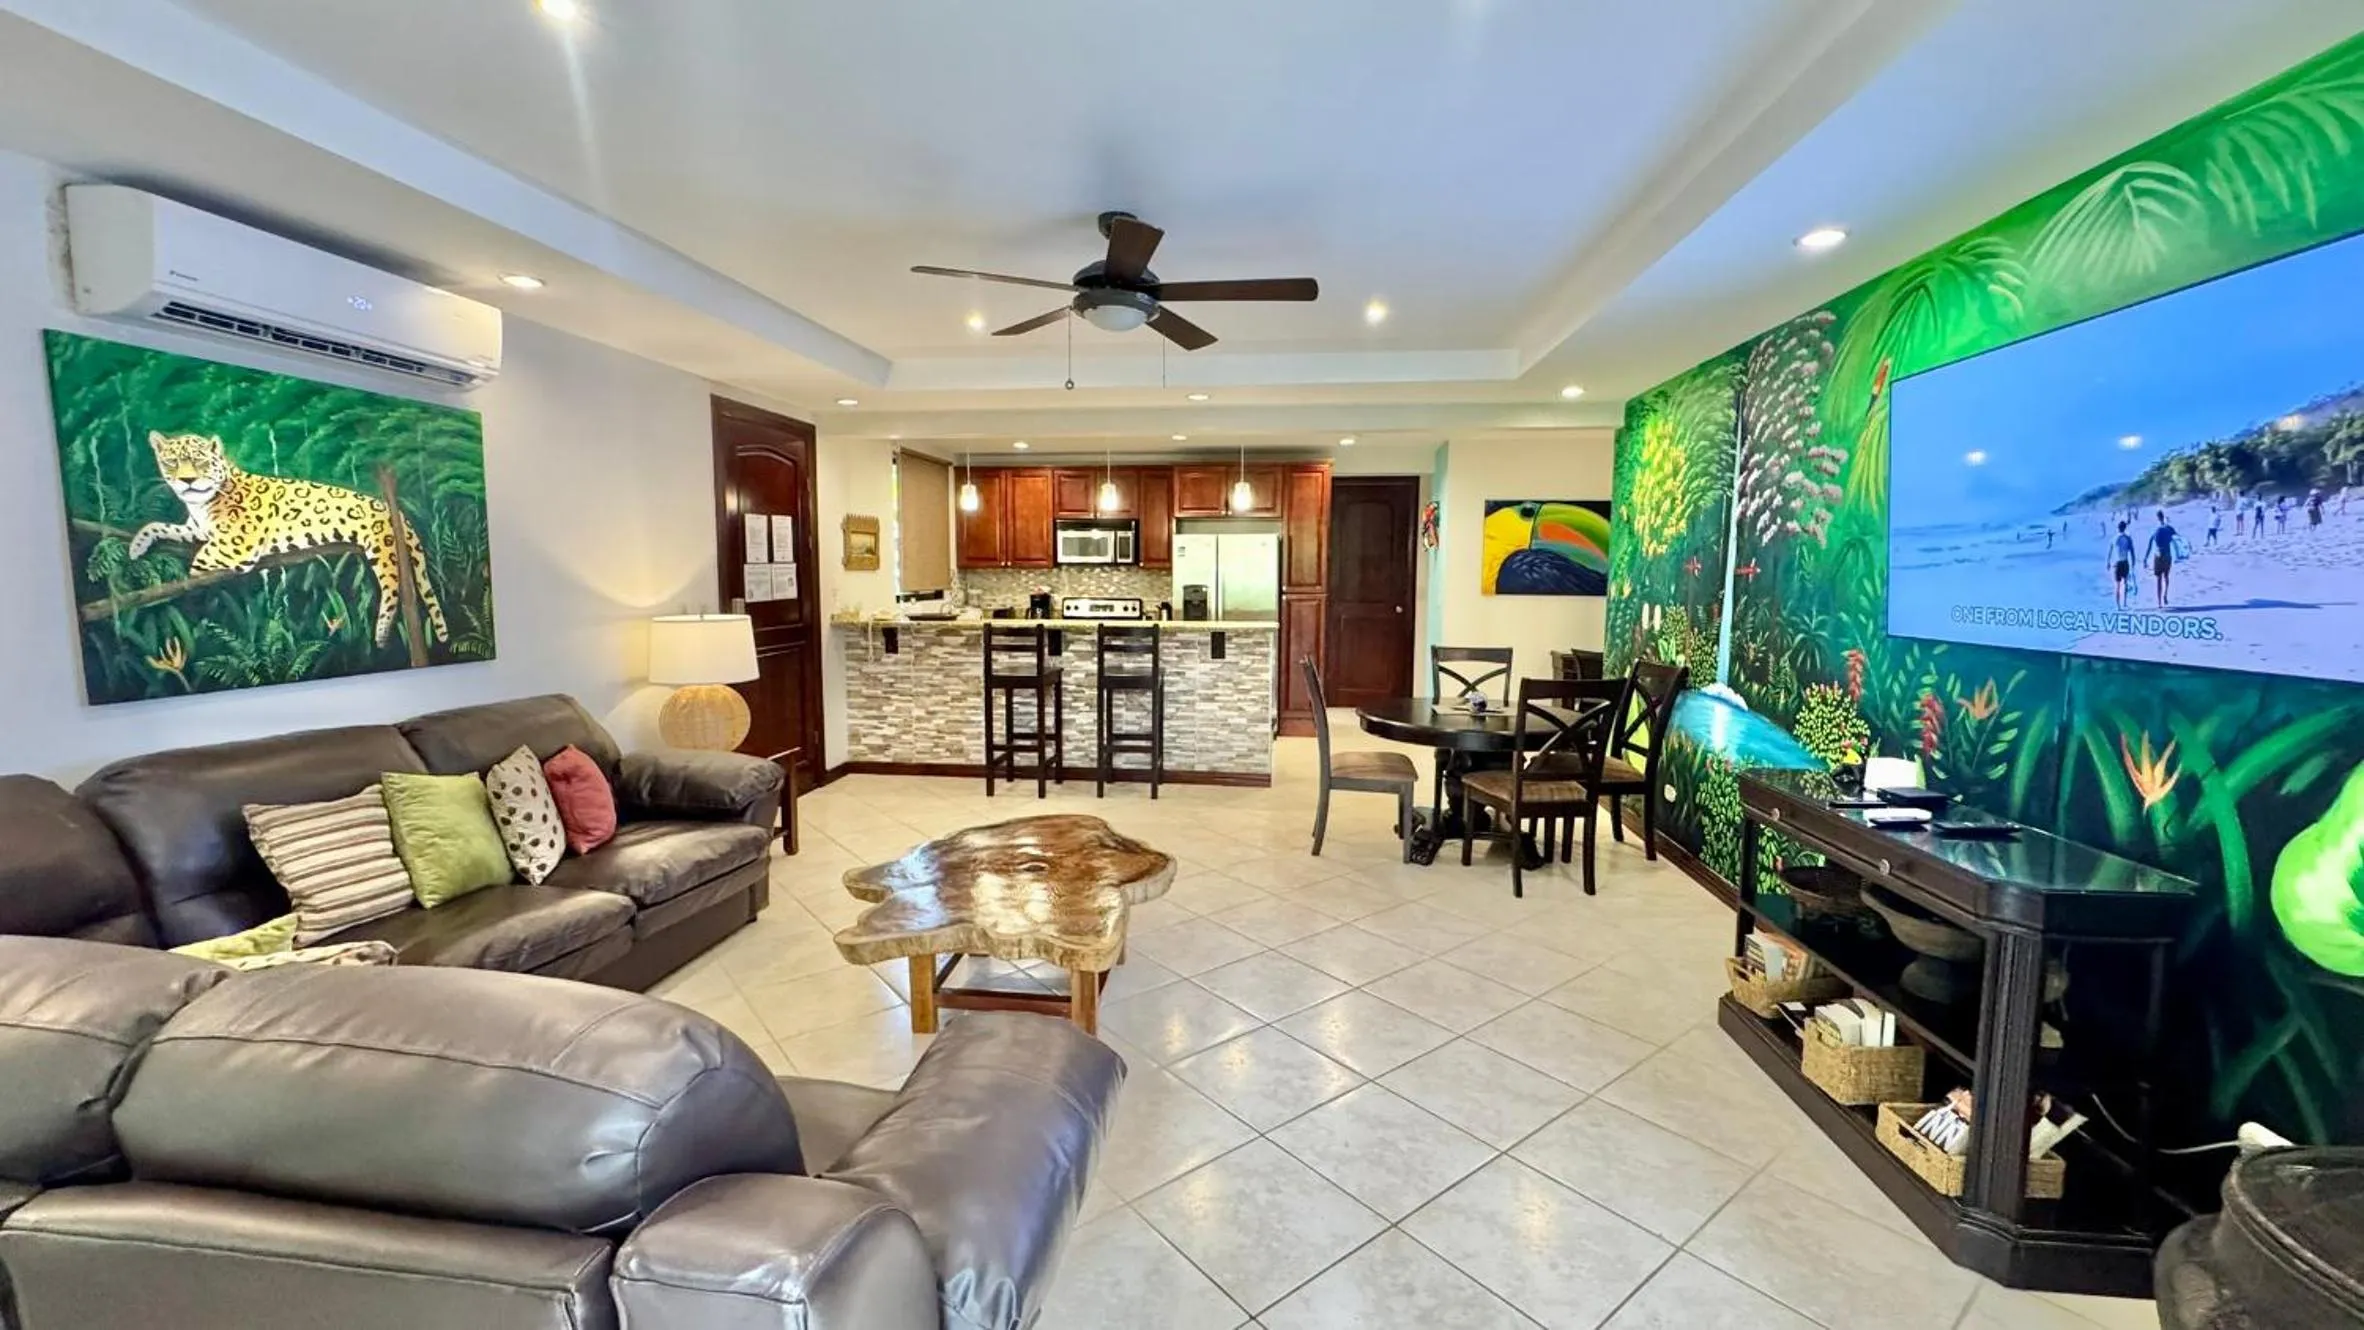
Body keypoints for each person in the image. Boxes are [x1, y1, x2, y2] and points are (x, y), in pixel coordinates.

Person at [2148, 510, 2180, 608]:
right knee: (2166, 577)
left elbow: (2150, 543)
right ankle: (2165, 595)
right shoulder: (2169, 528)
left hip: (2158, 556)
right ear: (2163, 516)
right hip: (2167, 555)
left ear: (2157, 517)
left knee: (2158, 579)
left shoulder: (2155, 528)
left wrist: (2145, 558)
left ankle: (2159, 603)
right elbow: (2177, 538)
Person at [2109, 520, 2137, 609]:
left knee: (2118, 585)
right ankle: (2124, 603)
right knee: (2125, 583)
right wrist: (2133, 561)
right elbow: (2132, 551)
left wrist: (2108, 562)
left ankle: (2118, 606)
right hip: (2125, 562)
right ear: (2125, 528)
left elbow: (2110, 551)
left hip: (2117, 563)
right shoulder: (2128, 538)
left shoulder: (2114, 538)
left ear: (2118, 528)